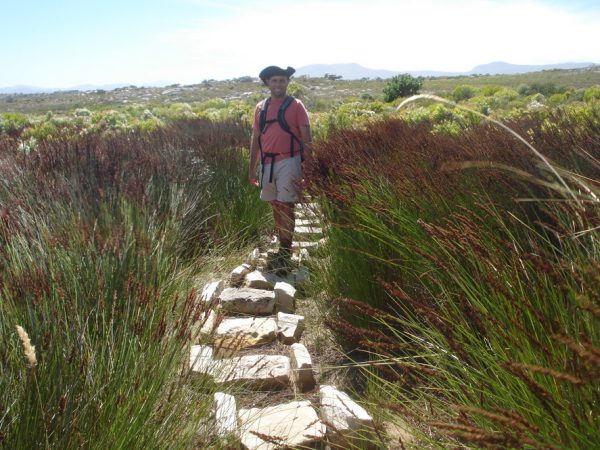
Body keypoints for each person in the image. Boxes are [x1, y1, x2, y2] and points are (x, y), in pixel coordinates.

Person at [248, 65, 312, 272]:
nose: (278, 84)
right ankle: (282, 241)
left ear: (287, 82)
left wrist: (309, 169)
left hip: (289, 161)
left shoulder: (296, 106)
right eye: (274, 80)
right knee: (275, 204)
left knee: (287, 204)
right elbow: (256, 138)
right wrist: (252, 168)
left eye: (282, 80)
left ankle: (285, 248)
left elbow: (307, 139)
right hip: (267, 163)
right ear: (268, 83)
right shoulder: (260, 108)